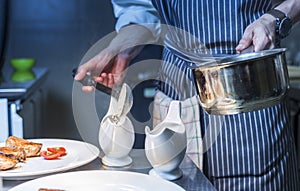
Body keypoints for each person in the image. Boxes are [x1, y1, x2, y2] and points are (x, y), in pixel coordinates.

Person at [75, 0, 300, 190]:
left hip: (248, 98)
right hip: (175, 103)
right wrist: (125, 42)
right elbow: (139, 8)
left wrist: (276, 18)